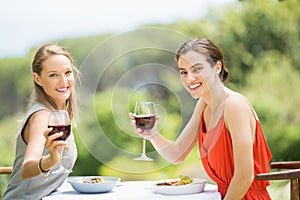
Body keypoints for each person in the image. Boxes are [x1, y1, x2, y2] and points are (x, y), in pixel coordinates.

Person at [130, 38, 272, 199]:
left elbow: (244, 177)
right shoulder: (203, 105)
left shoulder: (234, 106)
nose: (189, 78)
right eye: (183, 72)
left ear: (217, 67)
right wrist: (152, 134)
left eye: (197, 69)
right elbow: (177, 154)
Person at [3, 44, 78, 200]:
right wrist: (51, 160)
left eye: (68, 72)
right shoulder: (42, 116)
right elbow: (27, 168)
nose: (63, 81)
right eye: (53, 75)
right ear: (37, 79)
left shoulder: (58, 114)